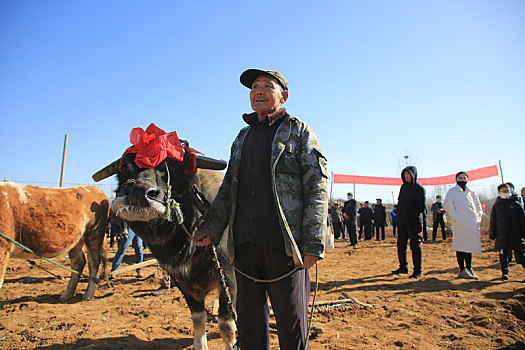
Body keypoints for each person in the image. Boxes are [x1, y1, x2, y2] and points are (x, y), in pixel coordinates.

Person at [193, 68, 328, 350]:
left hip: (285, 248)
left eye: (267, 86)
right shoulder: (242, 137)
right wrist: (211, 227)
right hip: (244, 247)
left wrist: (313, 241)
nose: (259, 91)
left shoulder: (299, 132)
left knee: (291, 324)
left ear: (284, 96)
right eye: (254, 87)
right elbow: (229, 188)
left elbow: (317, 186)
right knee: (251, 328)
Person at [443, 171, 483, 279]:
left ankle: (469, 268)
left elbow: (478, 206)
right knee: (460, 246)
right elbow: (447, 205)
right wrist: (455, 217)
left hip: (471, 223)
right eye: (460, 178)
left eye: (464, 178)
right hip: (459, 223)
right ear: (456, 179)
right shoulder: (452, 191)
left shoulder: (471, 192)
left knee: (469, 246)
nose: (462, 179)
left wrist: (478, 218)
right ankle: (462, 269)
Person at [392, 166, 426, 279]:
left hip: (414, 221)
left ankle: (418, 270)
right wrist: (398, 209)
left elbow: (421, 207)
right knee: (401, 244)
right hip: (402, 221)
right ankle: (403, 267)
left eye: (409, 175)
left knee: (415, 245)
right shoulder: (403, 187)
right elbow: (400, 201)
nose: (407, 177)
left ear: (414, 175)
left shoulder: (419, 189)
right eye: (405, 175)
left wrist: (408, 213)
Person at [489, 184, 525, 280]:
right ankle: (505, 273)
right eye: (504, 191)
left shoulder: (516, 204)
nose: (506, 193)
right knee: (503, 255)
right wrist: (492, 235)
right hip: (502, 235)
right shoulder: (497, 205)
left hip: (516, 235)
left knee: (521, 255)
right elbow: (493, 221)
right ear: (499, 193)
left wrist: (523, 233)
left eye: (507, 191)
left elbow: (522, 220)